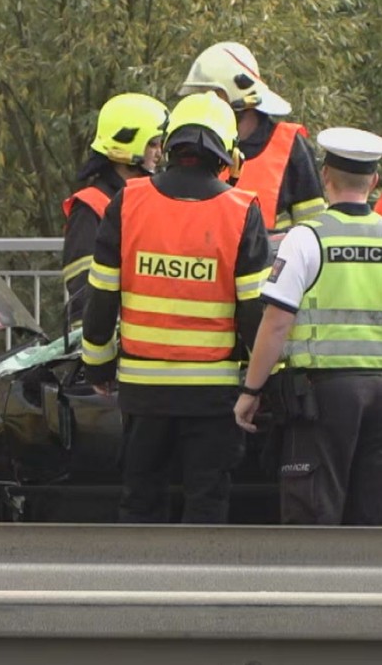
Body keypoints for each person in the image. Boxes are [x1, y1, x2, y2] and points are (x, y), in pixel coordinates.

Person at [233, 127, 382, 526]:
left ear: (325, 176)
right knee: (374, 516)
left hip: (322, 398)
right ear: (375, 183)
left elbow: (276, 323)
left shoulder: (305, 239)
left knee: (314, 513)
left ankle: (315, 587)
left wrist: (252, 390)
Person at [81, 92, 270, 524]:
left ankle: (143, 589)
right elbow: (254, 314)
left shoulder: (128, 201)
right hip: (213, 395)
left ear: (169, 144)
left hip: (142, 392)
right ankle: (200, 589)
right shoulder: (242, 211)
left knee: (141, 500)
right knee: (207, 503)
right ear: (227, 151)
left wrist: (98, 368)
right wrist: (261, 385)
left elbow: (101, 298)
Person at [178, 42, 326, 231]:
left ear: (237, 91)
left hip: (273, 259)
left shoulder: (290, 147)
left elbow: (314, 230)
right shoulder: (194, 146)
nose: (203, 103)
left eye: (211, 94)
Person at [63, 93, 169, 327]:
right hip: (109, 337)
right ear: (126, 145)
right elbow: (83, 291)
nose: (159, 153)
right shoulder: (90, 206)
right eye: (152, 144)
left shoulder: (142, 199)